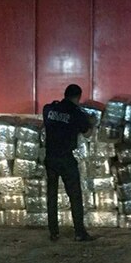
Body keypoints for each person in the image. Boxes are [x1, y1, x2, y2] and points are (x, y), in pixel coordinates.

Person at [43, 84, 96, 242]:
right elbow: (87, 134)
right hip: (66, 158)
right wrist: (91, 122)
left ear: (65, 94)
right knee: (74, 195)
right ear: (78, 97)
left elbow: (49, 120)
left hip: (50, 157)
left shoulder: (49, 109)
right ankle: (79, 233)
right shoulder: (76, 113)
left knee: (51, 195)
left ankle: (54, 233)